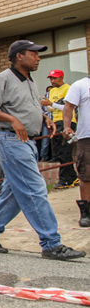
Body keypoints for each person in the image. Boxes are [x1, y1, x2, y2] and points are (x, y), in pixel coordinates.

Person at [0, 39, 85, 260]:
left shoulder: (29, 80)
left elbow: (30, 105)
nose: (38, 58)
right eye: (34, 54)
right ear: (19, 56)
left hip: (27, 142)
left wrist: (44, 117)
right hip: (11, 140)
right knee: (35, 189)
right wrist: (13, 120)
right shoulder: (4, 78)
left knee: (15, 193)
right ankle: (51, 243)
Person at [61, 76, 90, 227]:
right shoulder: (81, 85)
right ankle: (86, 213)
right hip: (87, 137)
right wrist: (67, 126)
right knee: (86, 174)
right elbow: (68, 107)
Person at [42, 70, 78, 187]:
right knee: (58, 152)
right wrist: (46, 104)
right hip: (55, 121)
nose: (53, 81)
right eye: (51, 79)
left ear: (62, 77)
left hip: (67, 121)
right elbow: (51, 109)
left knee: (64, 150)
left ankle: (65, 179)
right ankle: (72, 176)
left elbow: (67, 108)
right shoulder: (52, 91)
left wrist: (51, 104)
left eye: (55, 78)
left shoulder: (68, 88)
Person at [39, 85, 53, 162]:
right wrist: (45, 118)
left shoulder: (57, 97)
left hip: (56, 120)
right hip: (46, 122)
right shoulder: (45, 97)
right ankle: (43, 157)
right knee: (45, 140)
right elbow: (41, 109)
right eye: (49, 90)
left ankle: (54, 157)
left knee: (55, 140)